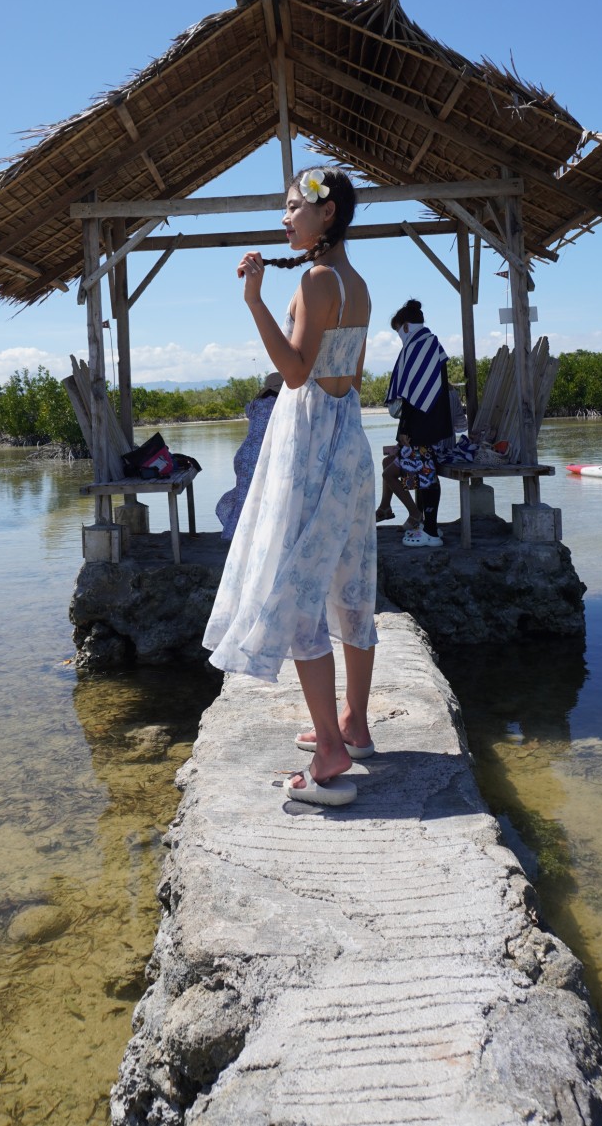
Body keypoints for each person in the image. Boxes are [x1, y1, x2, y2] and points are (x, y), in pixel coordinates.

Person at [202, 166, 377, 808]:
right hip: (350, 441)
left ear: (324, 214)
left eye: (293, 208)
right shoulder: (355, 283)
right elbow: (349, 373)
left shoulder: (314, 279)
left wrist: (254, 303)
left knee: (299, 591)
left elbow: (297, 375)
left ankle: (331, 751)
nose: (285, 220)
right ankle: (355, 725)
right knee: (351, 589)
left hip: (309, 445)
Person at [383, 298, 454, 549]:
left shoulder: (416, 346)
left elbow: (411, 395)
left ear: (404, 326)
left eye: (397, 331)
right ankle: (428, 526)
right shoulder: (432, 343)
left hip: (422, 426)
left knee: (426, 477)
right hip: (435, 424)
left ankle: (431, 532)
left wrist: (405, 429)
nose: (398, 337)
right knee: (426, 476)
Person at [215, 372, 283, 540]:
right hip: (264, 457)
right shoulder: (282, 404)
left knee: (245, 498)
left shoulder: (254, 405)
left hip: (245, 455)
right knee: (267, 497)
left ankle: (238, 535)